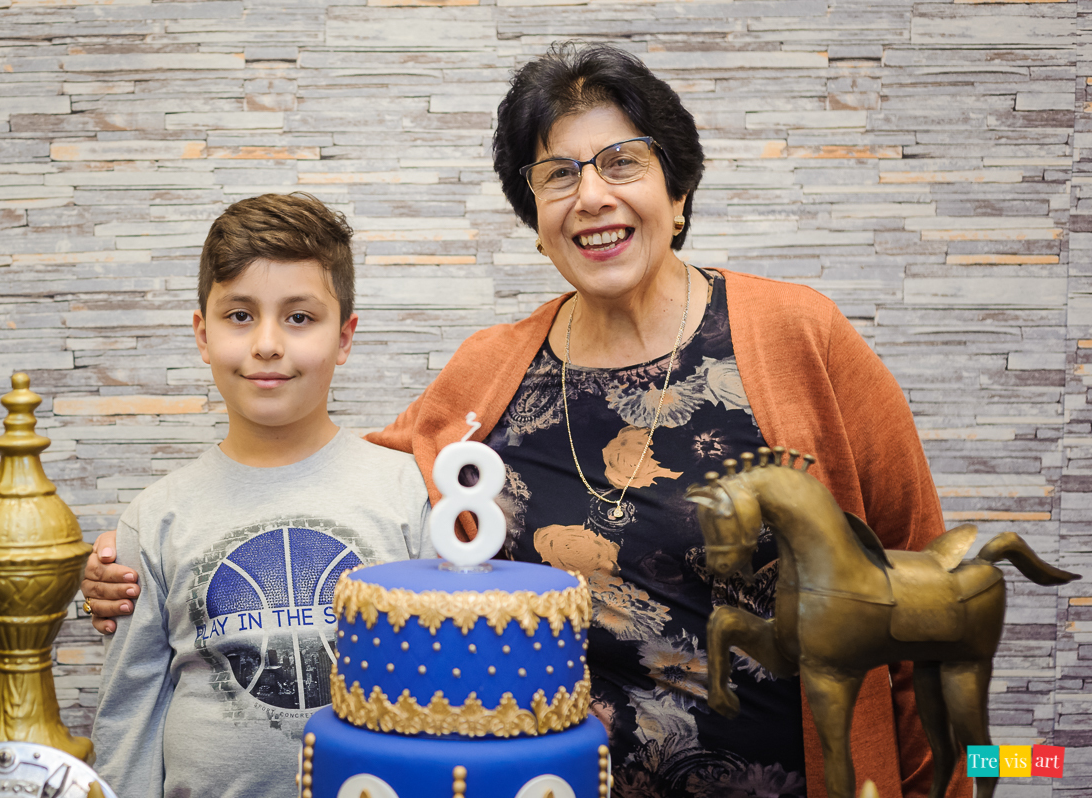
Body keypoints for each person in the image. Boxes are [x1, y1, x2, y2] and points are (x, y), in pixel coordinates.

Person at [84, 45, 968, 798]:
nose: (592, 196)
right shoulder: (492, 371)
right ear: (535, 217)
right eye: (558, 174)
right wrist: (137, 564)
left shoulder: (797, 336)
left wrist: (962, 775)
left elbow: (925, 584)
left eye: (622, 162)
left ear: (679, 190)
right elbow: (337, 474)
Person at [89, 193, 435, 798]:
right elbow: (131, 717)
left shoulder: (409, 494)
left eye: (299, 317)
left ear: (345, 337)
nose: (268, 344)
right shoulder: (155, 518)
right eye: (240, 315)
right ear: (202, 333)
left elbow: (447, 688)